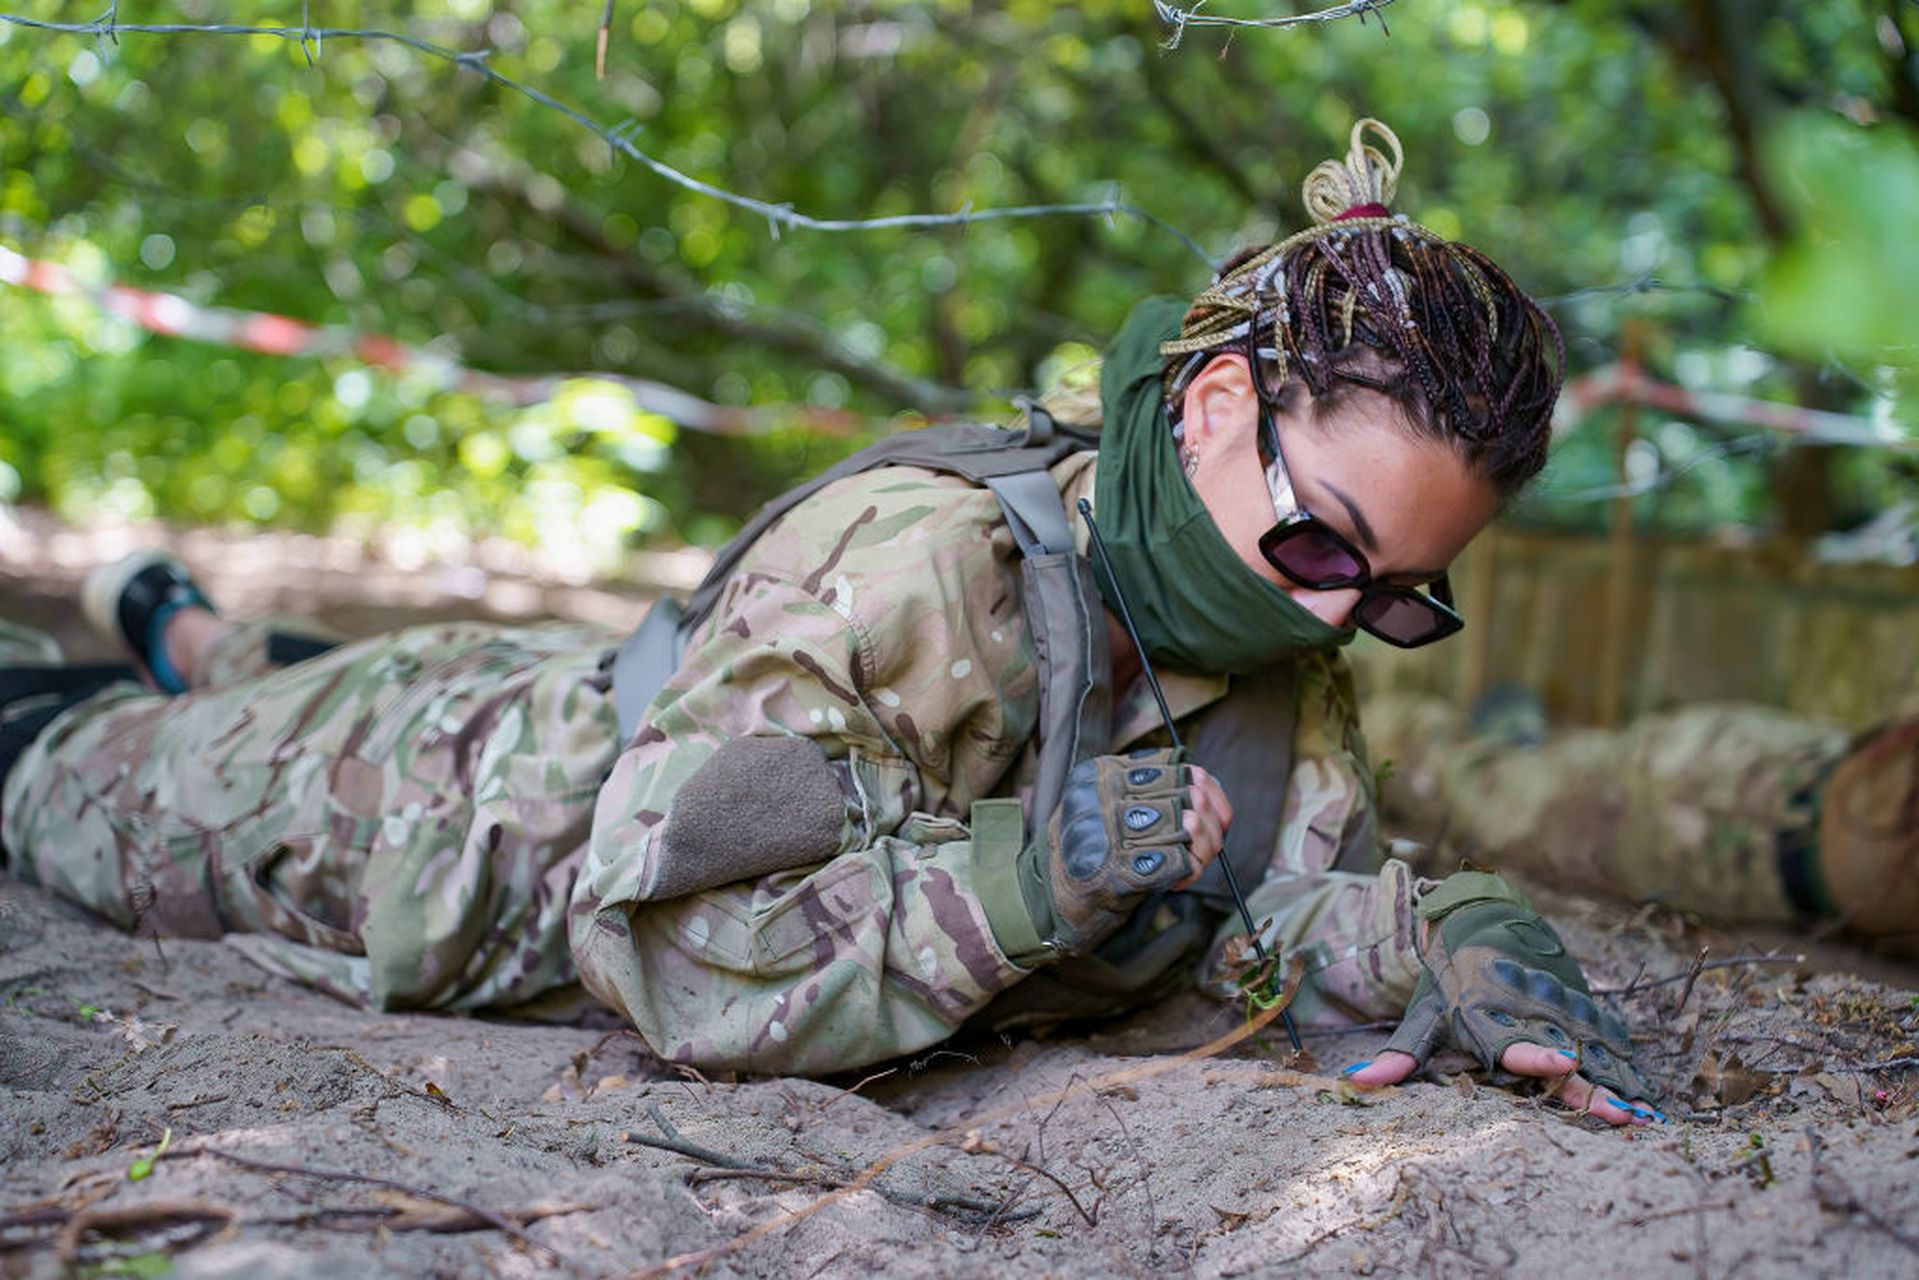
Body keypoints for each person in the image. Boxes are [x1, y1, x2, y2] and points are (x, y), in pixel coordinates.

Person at [0, 120, 1660, 1124]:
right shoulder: (916, 565)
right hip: (436, 809)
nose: (1336, 616)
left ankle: (188, 624)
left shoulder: (1278, 655)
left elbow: (1252, 915)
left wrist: (1433, 931)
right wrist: (1024, 881)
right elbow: (668, 952)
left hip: (597, 701)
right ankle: (173, 653)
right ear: (1215, 403)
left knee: (222, 668)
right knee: (53, 760)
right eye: (1323, 546)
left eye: (1394, 600)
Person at [1361, 689, 1919, 952]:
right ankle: (1367, 720)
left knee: (1530, 780)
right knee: (1478, 790)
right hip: (1723, 802)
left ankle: (1526, 740)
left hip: (1751, 796)